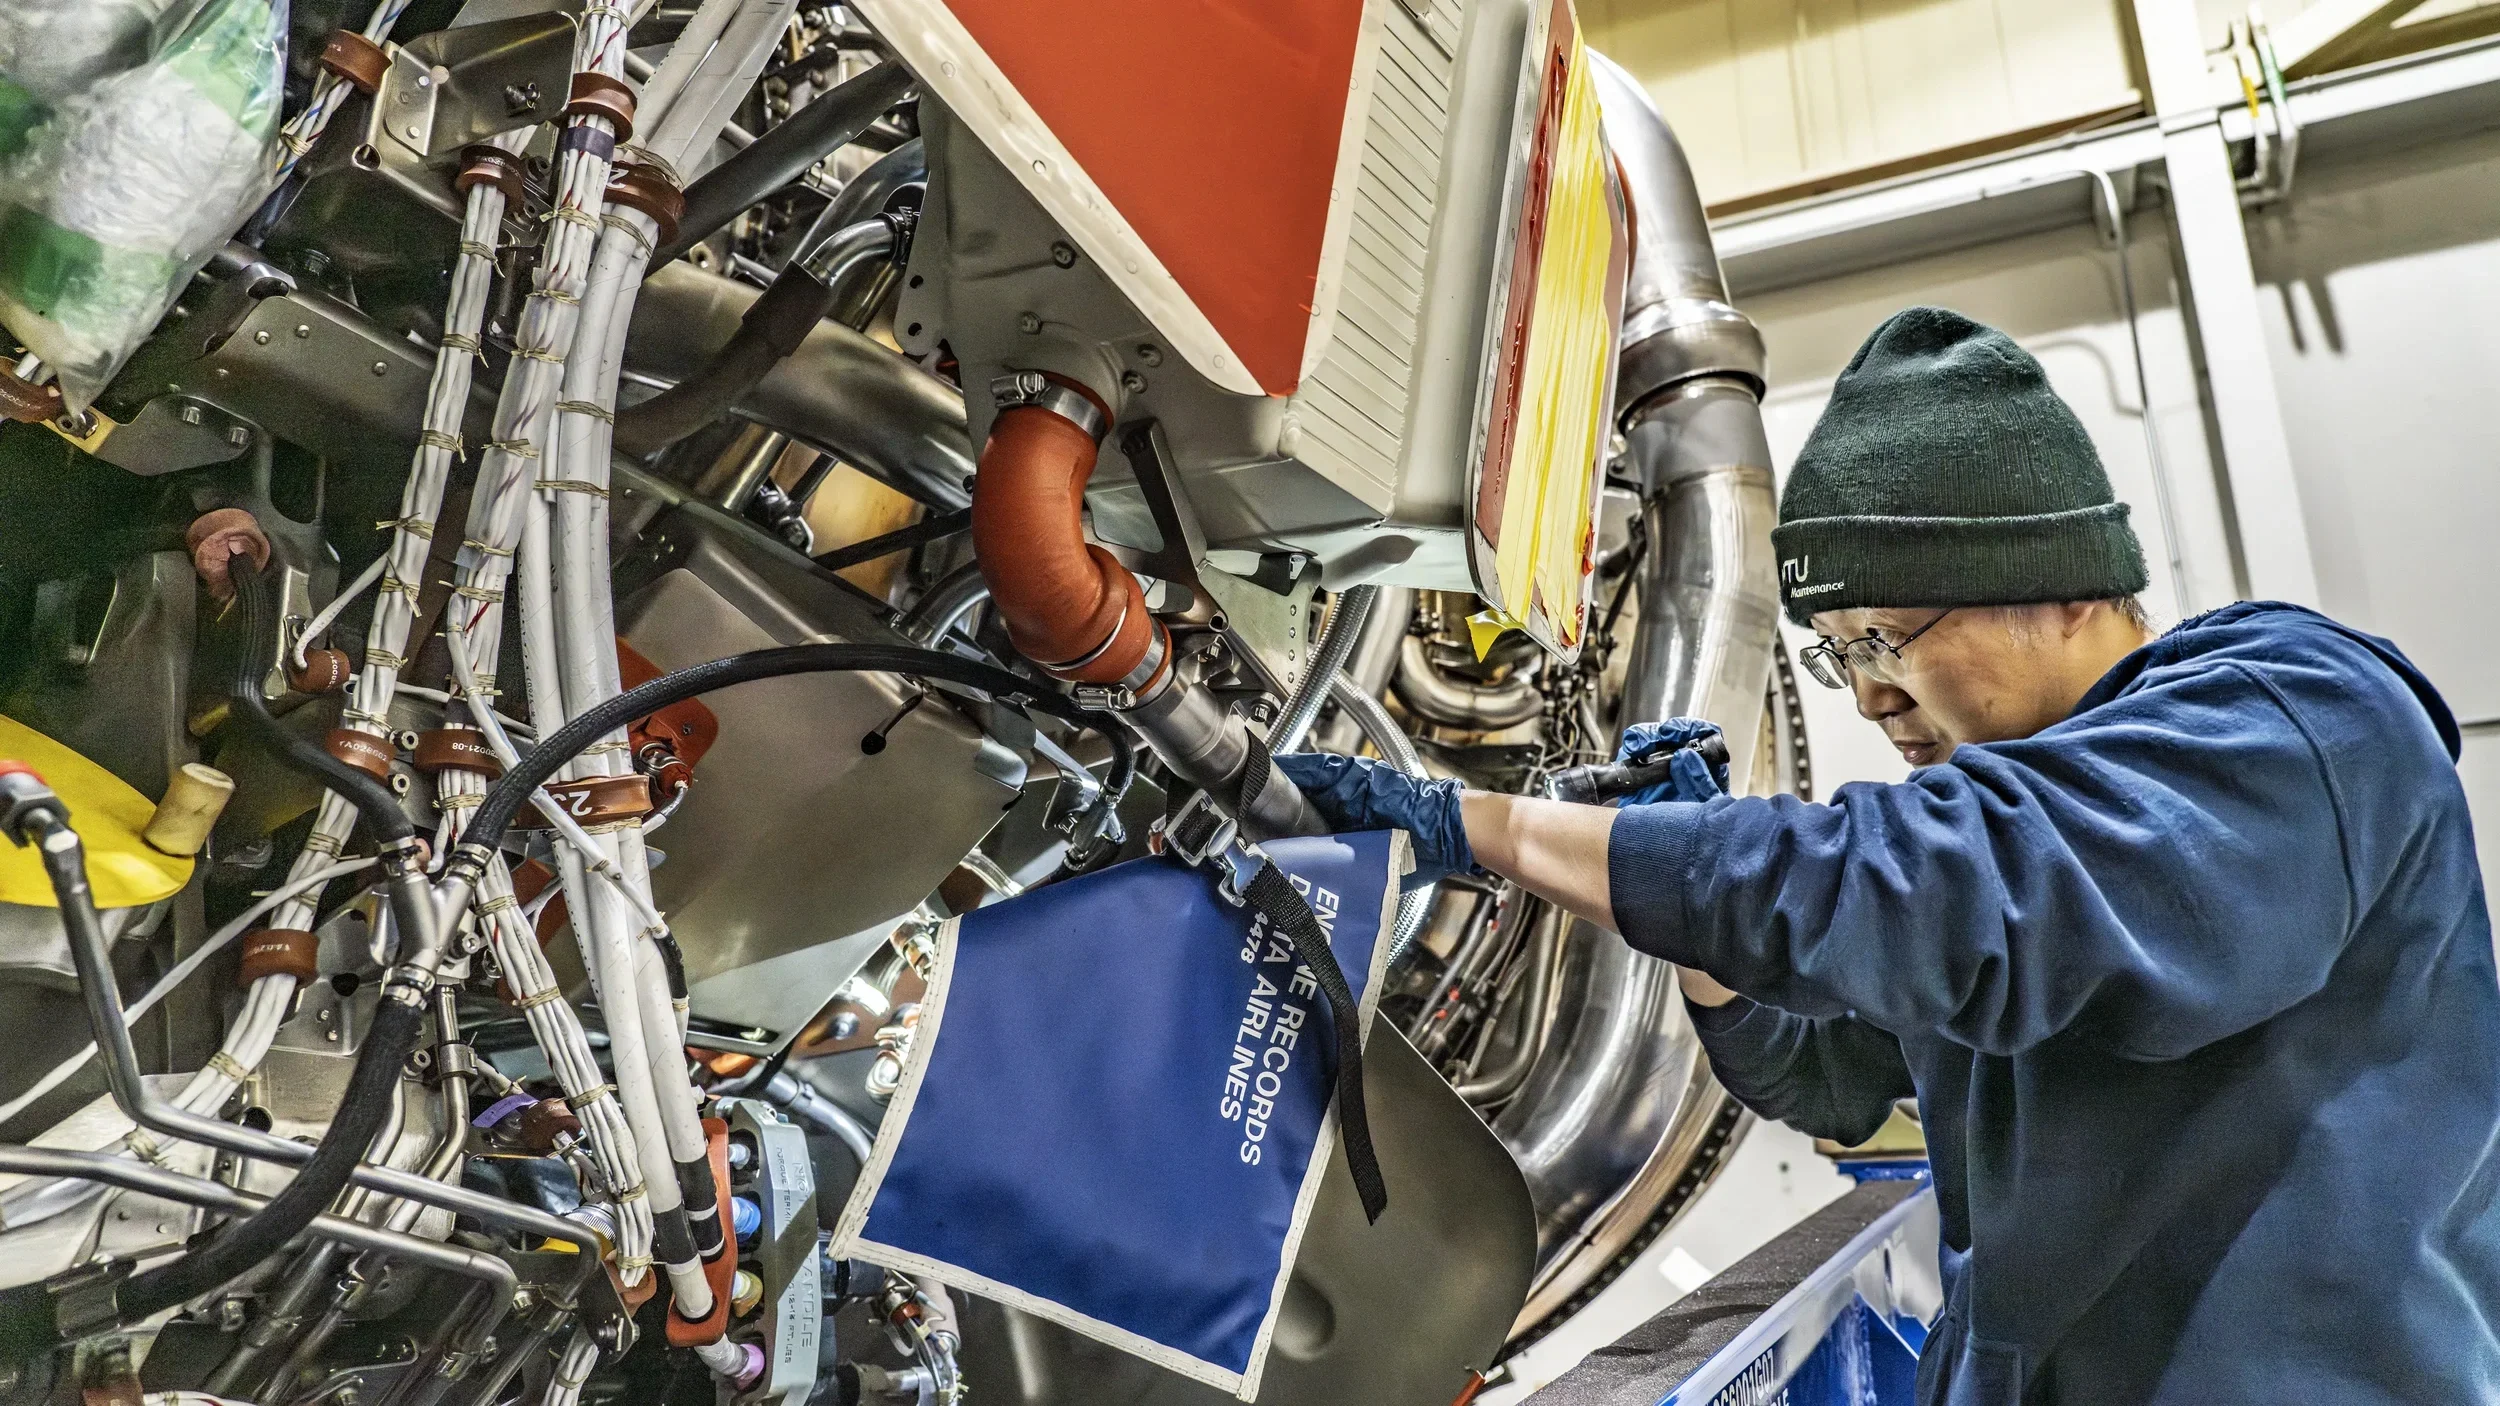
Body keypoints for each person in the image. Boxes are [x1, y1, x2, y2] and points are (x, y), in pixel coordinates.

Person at [1278, 307, 2500, 1403]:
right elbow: (1829, 1076)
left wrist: (1465, 823)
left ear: (2055, 582)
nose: (1868, 698)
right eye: (1834, 654)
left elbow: (1946, 888)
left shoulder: (2294, 717)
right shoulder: (2020, 836)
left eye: (1881, 638)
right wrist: (1690, 930)